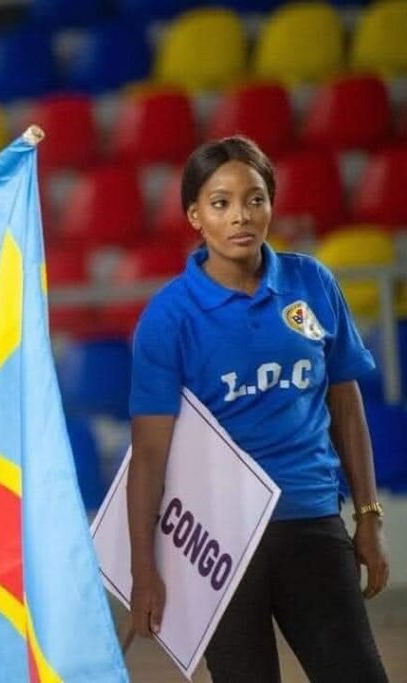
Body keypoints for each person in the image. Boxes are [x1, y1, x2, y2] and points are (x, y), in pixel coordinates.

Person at [126, 136, 389, 682]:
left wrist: (368, 517)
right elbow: (149, 454)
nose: (241, 216)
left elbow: (346, 403)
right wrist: (144, 566)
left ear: (271, 203)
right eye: (220, 203)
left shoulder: (312, 281)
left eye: (255, 198)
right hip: (220, 545)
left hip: (313, 524)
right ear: (194, 215)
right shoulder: (168, 317)